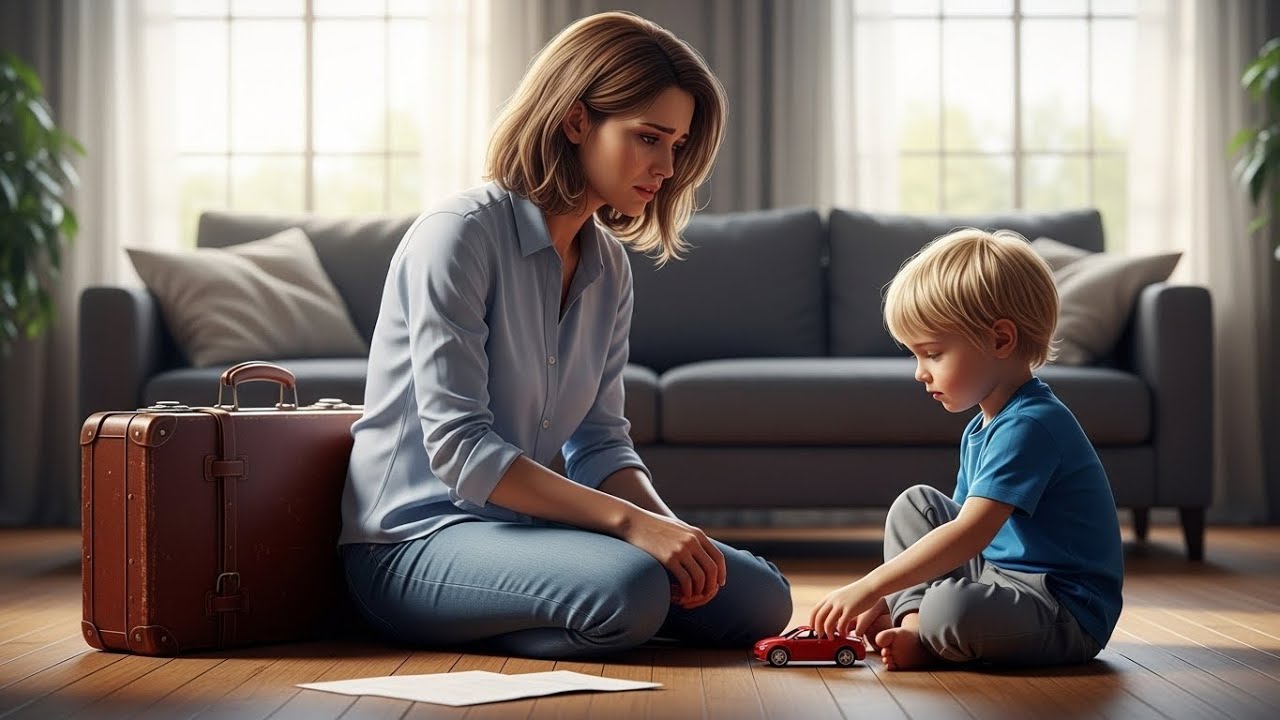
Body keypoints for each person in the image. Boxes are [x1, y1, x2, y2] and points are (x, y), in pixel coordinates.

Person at [338, 11, 792, 659]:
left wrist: (671, 532)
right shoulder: (459, 234)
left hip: (521, 535)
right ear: (577, 121)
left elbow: (602, 445)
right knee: (632, 586)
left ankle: (581, 606)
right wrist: (634, 530)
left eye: (678, 145)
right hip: (411, 543)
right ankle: (449, 618)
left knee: (757, 599)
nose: (667, 165)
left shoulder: (605, 265)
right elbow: (461, 450)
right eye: (648, 137)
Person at [809, 228, 1123, 670]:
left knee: (949, 608)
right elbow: (955, 537)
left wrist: (872, 587)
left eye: (933, 353)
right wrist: (900, 595)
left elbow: (970, 534)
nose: (920, 373)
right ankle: (916, 624)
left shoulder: (1032, 424)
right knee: (915, 506)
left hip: (1062, 609)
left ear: (999, 340)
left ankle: (923, 625)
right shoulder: (984, 425)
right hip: (1000, 579)